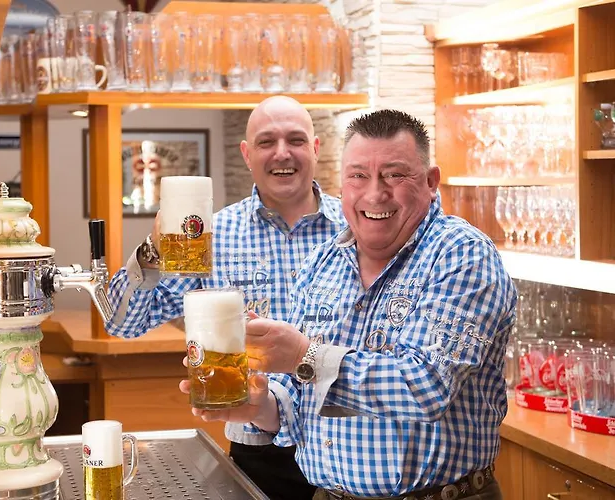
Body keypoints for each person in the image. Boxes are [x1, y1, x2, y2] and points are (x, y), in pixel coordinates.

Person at [184, 109, 517, 500]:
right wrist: (259, 407)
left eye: (394, 175)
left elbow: (426, 386)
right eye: (358, 176)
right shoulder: (321, 263)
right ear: (342, 183)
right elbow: (301, 401)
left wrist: (303, 355)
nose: (375, 194)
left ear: (430, 182)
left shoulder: (462, 255)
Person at [105, 95, 346, 500]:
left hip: (347, 445)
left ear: (316, 148)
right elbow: (123, 322)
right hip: (259, 450)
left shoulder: (355, 229)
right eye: (267, 142)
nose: (282, 153)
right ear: (247, 154)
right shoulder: (212, 236)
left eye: (296, 140)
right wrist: (153, 249)